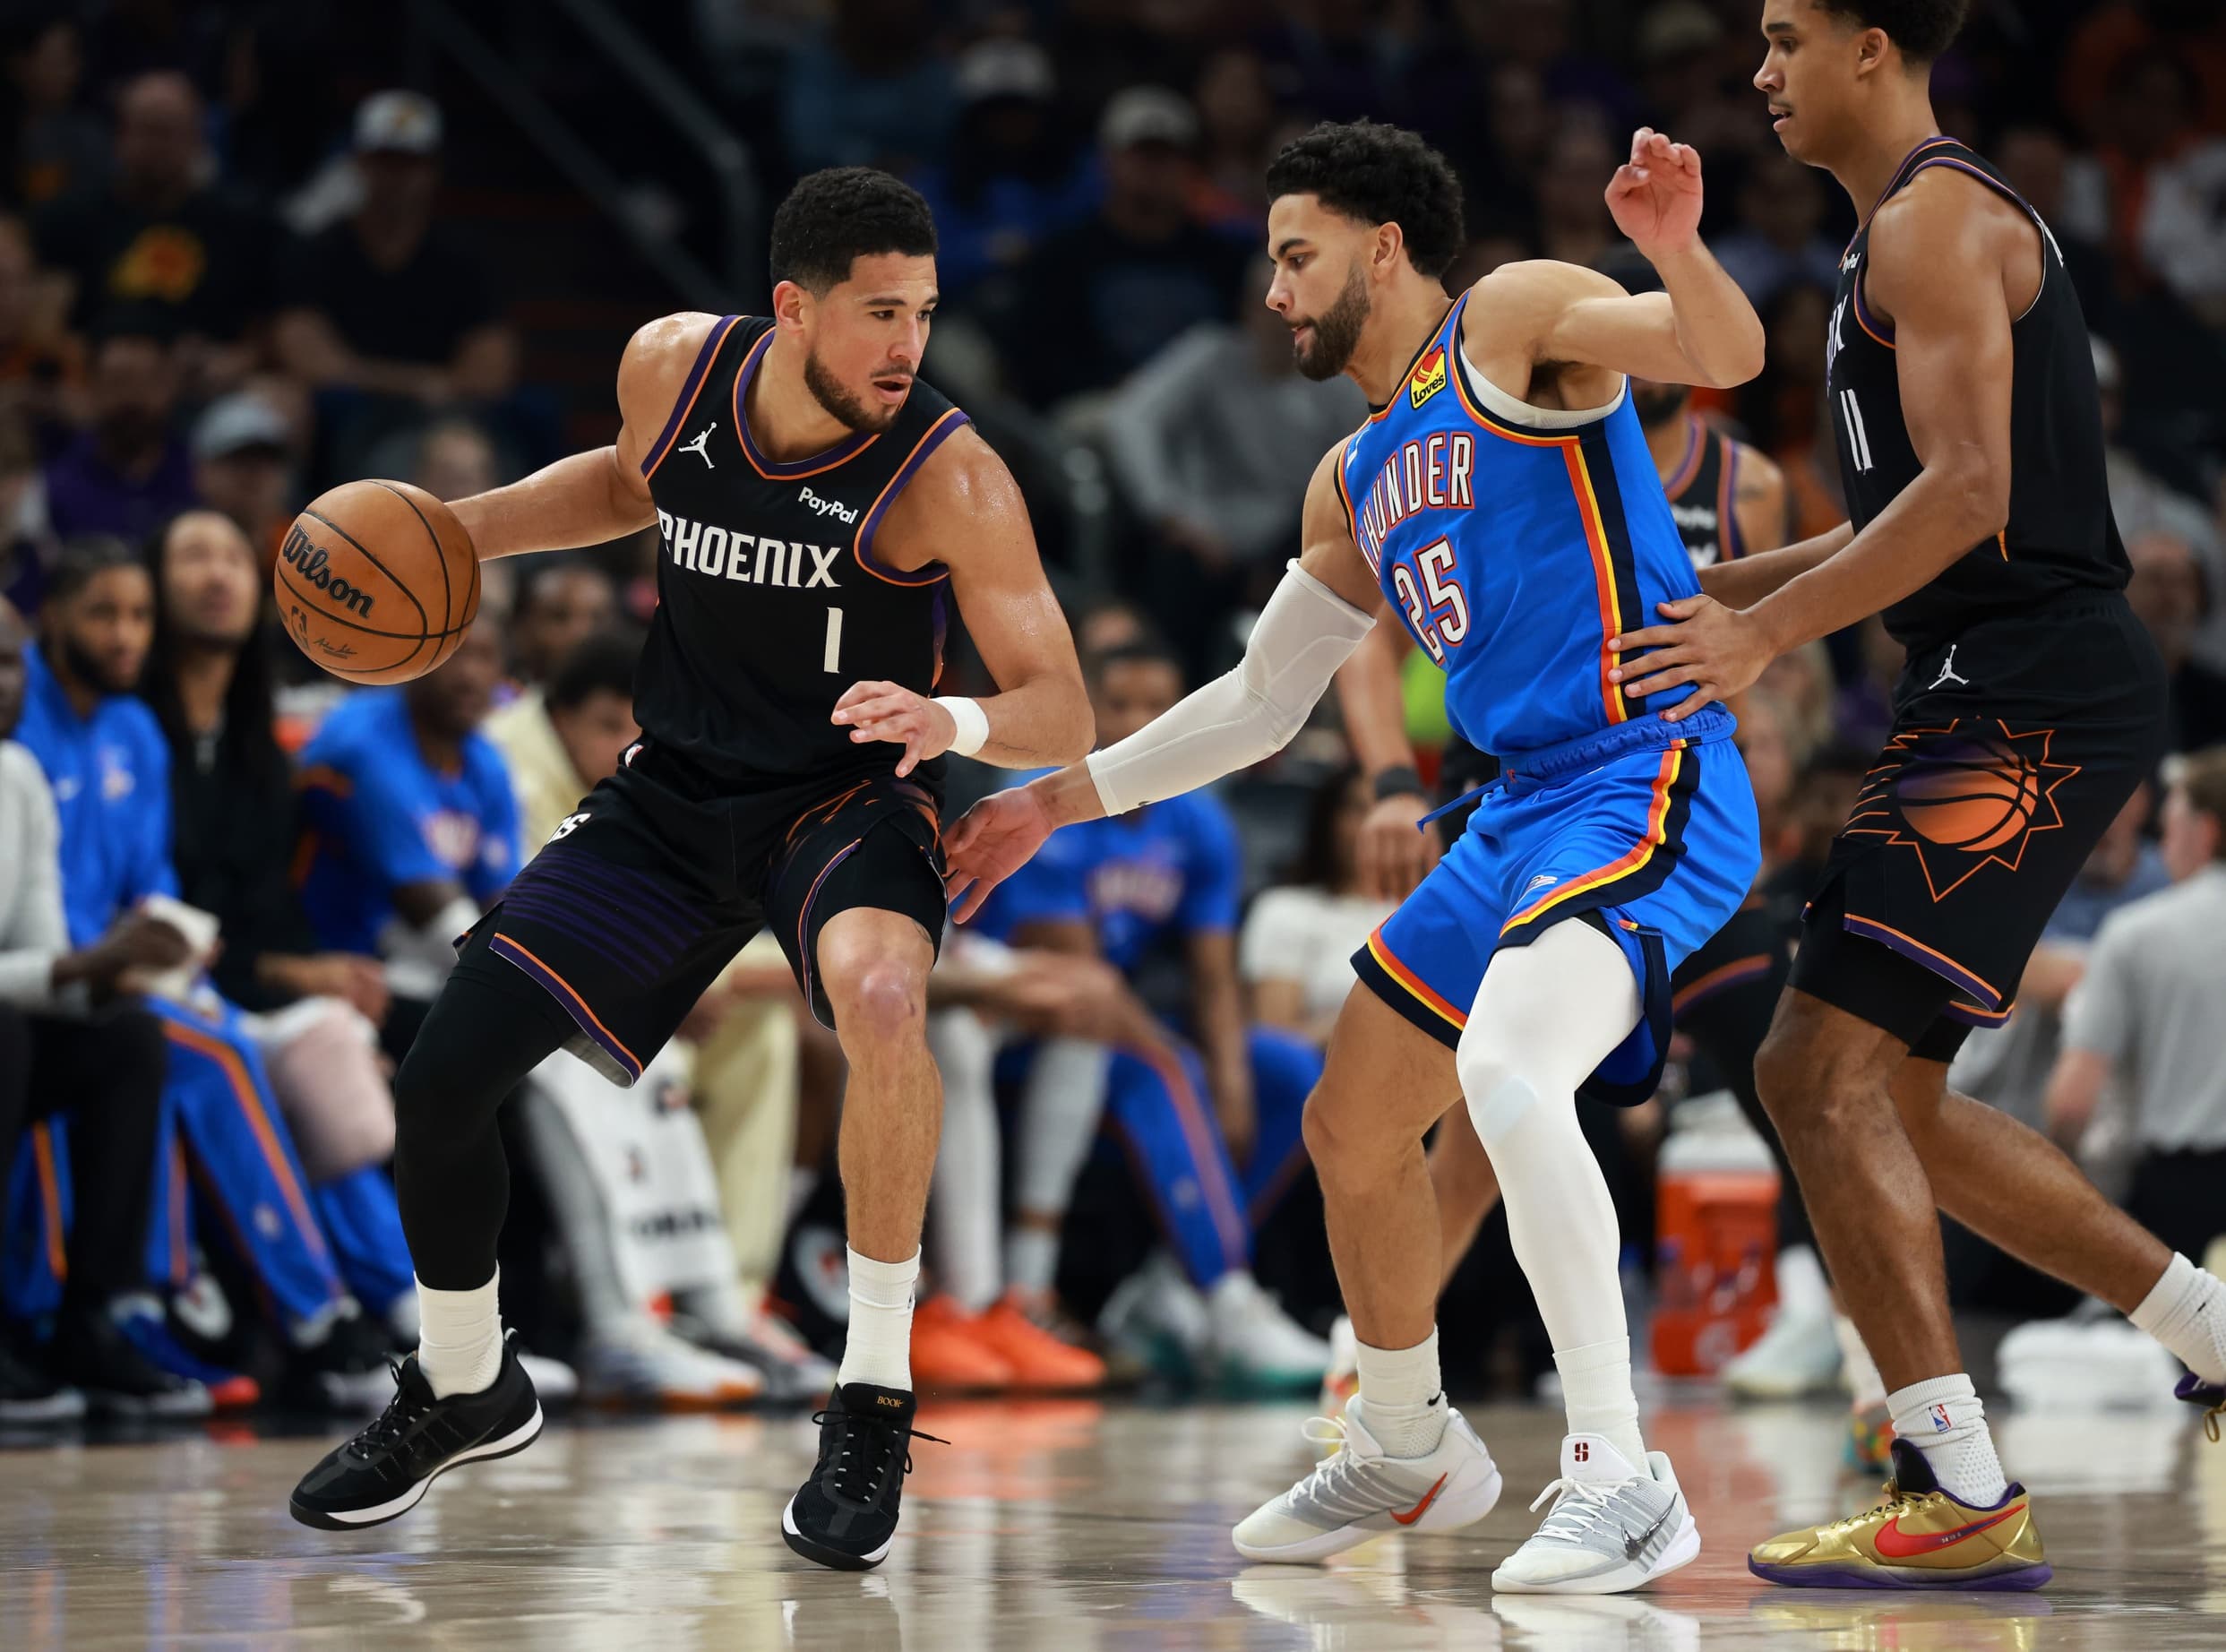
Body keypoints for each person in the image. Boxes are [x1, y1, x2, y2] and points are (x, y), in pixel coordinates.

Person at [948, 117, 1767, 1593]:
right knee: (1350, 1117)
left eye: (1294, 255)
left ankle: (1621, 1472)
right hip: (1514, 802)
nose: (1273, 292)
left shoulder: (1510, 323)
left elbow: (1725, 346)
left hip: (1647, 772)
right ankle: (1407, 1439)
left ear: (1380, 249)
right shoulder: (1352, 476)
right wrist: (1051, 798)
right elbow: (1264, 700)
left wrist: (1674, 246)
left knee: (1511, 1070)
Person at [285, 168, 1093, 1574]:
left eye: (924, 314)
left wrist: (949, 721)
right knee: (441, 1080)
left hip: (847, 798)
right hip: (669, 796)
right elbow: (619, 483)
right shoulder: (674, 366)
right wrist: (453, 532)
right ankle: (467, 1380)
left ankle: (874, 1393)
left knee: (885, 1008)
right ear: (792, 309)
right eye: (878, 314)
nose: (908, 346)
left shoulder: (949, 475)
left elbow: (1061, 708)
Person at [1620, 0, 2226, 1588]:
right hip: (2002, 676)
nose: (1758, 72)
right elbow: (1904, 521)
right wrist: (1701, 583)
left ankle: (1954, 1486)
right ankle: (2214, 1337)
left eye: (1782, 36)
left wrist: (1757, 633)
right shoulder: (1895, 235)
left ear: (1873, 46)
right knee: (1883, 1097)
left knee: (1813, 1067)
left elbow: (1970, 495)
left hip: (2027, 685)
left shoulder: (1938, 219)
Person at [15, 538, 395, 1409]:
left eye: (138, 615)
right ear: (54, 619)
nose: (124, 635)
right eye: (103, 613)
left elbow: (153, 878)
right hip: (61, 974)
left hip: (125, 974)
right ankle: (307, 1311)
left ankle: (358, 1294)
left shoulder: (133, 728)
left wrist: (170, 934)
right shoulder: (24, 724)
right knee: (217, 1047)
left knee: (253, 1038)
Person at [965, 640, 1334, 1392]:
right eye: (1120, 704)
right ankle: (1229, 1293)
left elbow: (1212, 968)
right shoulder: (1041, 798)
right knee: (1157, 1069)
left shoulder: (1198, 821)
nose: (1136, 721)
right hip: (1012, 1024)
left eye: (1155, 708)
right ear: (1090, 710)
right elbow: (1081, 973)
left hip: (1107, 1025)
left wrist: (1230, 1079)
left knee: (1284, 1068)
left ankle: (1175, 1282)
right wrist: (1190, 1068)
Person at [0, 595, 211, 1421]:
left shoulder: (19, 776)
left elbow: (47, 950)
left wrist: (127, 960)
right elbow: (49, 967)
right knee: (7, 1038)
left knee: (128, 1039)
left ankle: (96, 1314)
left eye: (12, 662)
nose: (3, 682)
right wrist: (78, 963)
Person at [2046, 750, 2226, 1272]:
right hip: (2182, 1178)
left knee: (2174, 1349)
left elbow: (2072, 1102)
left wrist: (2061, 1189)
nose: (2162, 842)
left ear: (2205, 831)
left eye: (2171, 825)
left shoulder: (2137, 934)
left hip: (2179, 1194)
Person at [42, 317, 195, 543]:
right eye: (118, 381)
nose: (132, 396)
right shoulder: (52, 489)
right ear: (91, 387)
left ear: (169, 386)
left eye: (147, 381)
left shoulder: (198, 479)